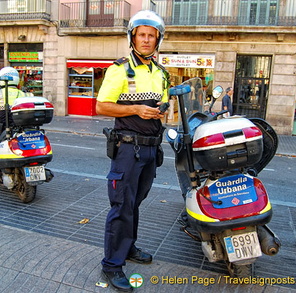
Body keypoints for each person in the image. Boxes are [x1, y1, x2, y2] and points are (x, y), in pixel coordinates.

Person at [96, 10, 169, 292]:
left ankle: (128, 247)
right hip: (127, 150)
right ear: (133, 37)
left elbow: (161, 107)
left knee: (134, 204)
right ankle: (112, 265)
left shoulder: (161, 73)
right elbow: (102, 106)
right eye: (143, 35)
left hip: (151, 151)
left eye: (152, 36)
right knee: (121, 207)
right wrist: (136, 109)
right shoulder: (120, 69)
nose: (147, 40)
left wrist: (162, 112)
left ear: (158, 40)